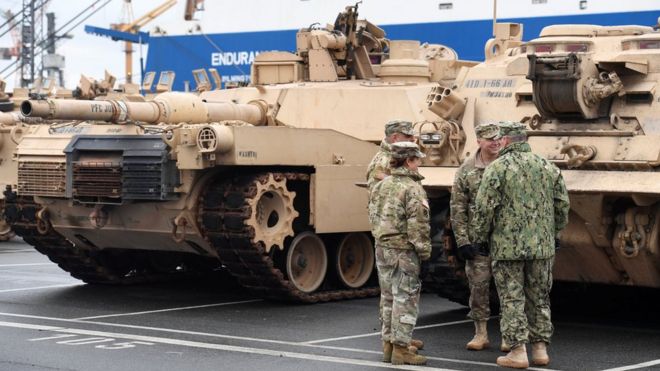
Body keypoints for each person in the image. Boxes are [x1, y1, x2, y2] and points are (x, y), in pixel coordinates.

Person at [471, 122, 570, 369]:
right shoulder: (547, 166)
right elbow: (562, 205)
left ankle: (517, 352)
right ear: (524, 139)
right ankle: (540, 350)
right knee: (539, 297)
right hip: (541, 246)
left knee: (512, 298)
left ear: (504, 141)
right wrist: (554, 232)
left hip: (507, 248)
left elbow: (484, 209)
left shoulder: (497, 169)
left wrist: (480, 239)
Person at [368, 141, 431, 366]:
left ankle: (388, 345)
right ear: (409, 161)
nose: (420, 163)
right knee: (406, 297)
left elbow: (373, 215)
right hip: (404, 250)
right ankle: (401, 349)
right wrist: (424, 251)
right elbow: (418, 225)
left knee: (388, 297)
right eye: (418, 159)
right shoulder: (412, 188)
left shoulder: (381, 185)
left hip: (382, 247)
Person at [449, 122, 503, 351]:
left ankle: (511, 336)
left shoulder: (507, 164)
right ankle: (480, 333)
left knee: (510, 289)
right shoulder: (467, 169)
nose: (496, 142)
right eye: (490, 139)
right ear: (479, 141)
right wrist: (462, 241)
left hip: (506, 239)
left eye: (498, 138)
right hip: (479, 241)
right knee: (479, 288)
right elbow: (458, 206)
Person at [366, 119, 416, 194]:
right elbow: (379, 198)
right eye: (408, 136)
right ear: (395, 138)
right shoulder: (384, 161)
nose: (413, 139)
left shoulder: (399, 157)